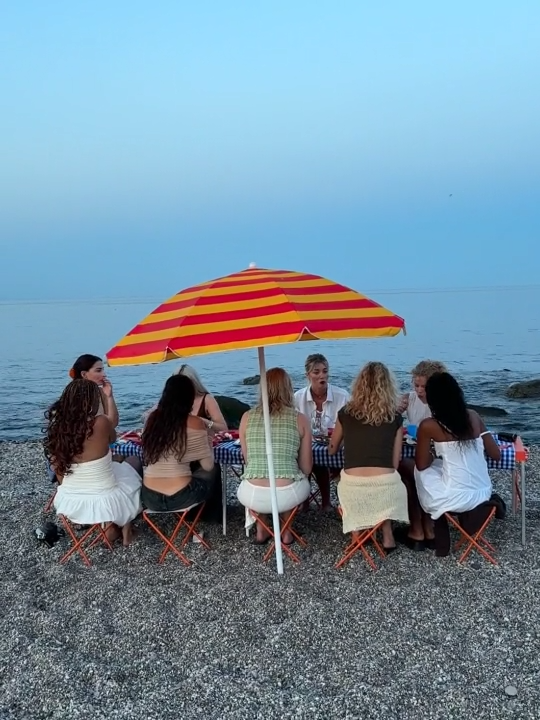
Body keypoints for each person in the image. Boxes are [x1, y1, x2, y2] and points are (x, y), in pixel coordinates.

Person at [414, 372, 501, 556]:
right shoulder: (474, 416)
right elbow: (496, 455)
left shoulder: (429, 425)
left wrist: (432, 451)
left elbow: (421, 465)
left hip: (454, 497)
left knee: (418, 471)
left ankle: (427, 526)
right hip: (483, 493)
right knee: (441, 467)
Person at [45, 379, 142, 546]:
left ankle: (113, 528)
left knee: (116, 468)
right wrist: (108, 397)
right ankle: (126, 529)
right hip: (105, 498)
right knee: (133, 464)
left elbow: (59, 471)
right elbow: (112, 437)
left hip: (69, 500)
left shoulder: (58, 428)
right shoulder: (101, 422)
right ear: (92, 400)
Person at [329, 362, 409, 551]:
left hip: (353, 488)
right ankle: (387, 535)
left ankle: (357, 531)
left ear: (359, 385)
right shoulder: (395, 417)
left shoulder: (346, 413)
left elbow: (332, 449)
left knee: (346, 482)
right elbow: (395, 462)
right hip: (387, 488)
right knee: (388, 481)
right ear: (388, 386)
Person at [238, 368, 312, 545]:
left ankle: (262, 531)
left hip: (252, 495)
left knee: (261, 473)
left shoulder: (247, 417)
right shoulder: (299, 419)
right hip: (286, 495)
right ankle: (286, 532)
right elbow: (307, 467)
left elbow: (248, 461)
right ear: (288, 388)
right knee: (292, 477)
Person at [141, 374, 215, 513]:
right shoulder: (195, 422)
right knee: (213, 470)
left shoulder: (152, 419)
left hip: (150, 498)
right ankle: (211, 516)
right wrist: (208, 442)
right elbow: (208, 465)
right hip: (181, 497)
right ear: (189, 397)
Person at [396, 359, 447, 549]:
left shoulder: (443, 404)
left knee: (414, 473)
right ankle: (426, 527)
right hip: (417, 450)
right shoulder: (409, 399)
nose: (418, 390)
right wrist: (396, 412)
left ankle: (418, 528)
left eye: (423, 387)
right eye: (416, 385)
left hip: (439, 457)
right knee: (412, 472)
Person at [294, 353, 350, 511]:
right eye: (316, 372)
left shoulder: (342, 396)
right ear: (308, 375)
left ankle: (329, 502)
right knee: (310, 460)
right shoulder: (297, 398)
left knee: (323, 461)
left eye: (325, 371)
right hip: (308, 446)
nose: (322, 376)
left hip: (337, 446)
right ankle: (304, 500)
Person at [69, 354, 119, 428]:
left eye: (103, 370)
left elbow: (113, 424)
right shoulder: (72, 396)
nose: (104, 375)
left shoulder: (102, 393)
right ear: (84, 374)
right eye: (98, 370)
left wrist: (109, 396)